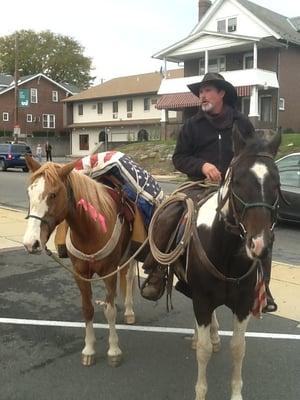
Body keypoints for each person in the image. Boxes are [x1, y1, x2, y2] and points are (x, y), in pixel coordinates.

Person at [141, 72, 277, 313]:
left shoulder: (242, 123)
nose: (202, 95)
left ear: (221, 93)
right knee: (169, 212)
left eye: (207, 90)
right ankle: (157, 271)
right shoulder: (192, 125)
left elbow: (254, 152)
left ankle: (262, 284)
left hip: (236, 184)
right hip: (199, 185)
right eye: (200, 91)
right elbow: (179, 158)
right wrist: (202, 166)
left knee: (261, 222)